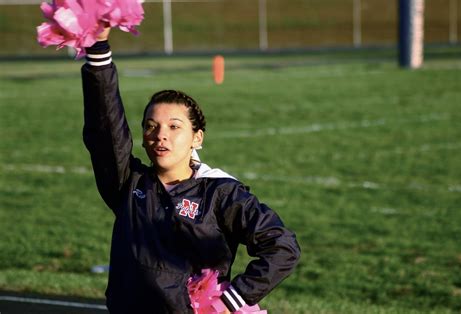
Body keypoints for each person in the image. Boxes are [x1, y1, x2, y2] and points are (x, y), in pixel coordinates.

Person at [81, 28, 300, 314]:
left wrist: (228, 301)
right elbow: (105, 130)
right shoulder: (128, 183)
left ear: (197, 138)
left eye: (174, 126)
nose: (161, 135)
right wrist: (98, 50)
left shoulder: (220, 192)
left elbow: (282, 246)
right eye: (151, 126)